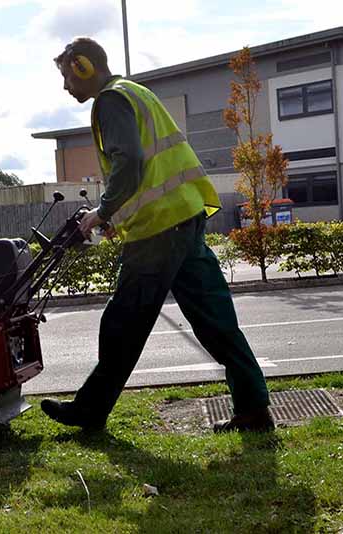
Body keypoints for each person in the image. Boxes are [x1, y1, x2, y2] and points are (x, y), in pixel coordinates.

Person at [40, 38, 274, 433]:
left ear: (82, 67)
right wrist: (117, 217)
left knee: (122, 325)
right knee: (217, 321)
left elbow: (129, 162)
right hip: (186, 218)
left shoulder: (110, 101)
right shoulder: (135, 92)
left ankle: (90, 411)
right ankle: (254, 409)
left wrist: (102, 212)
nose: (65, 87)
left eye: (66, 75)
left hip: (158, 231)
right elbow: (148, 169)